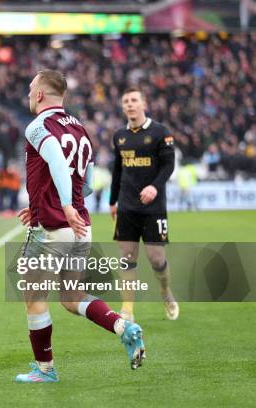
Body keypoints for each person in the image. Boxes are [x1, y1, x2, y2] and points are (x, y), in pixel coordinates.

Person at [15, 70, 145, 383]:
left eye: (32, 87)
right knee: (72, 297)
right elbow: (85, 183)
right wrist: (57, 203)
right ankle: (123, 326)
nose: (29, 93)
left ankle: (45, 370)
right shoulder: (80, 129)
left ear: (42, 94)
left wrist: (61, 206)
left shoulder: (38, 126)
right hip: (80, 227)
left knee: (33, 295)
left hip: (55, 225)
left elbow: (58, 163)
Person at [109, 86, 179, 322]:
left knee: (156, 258)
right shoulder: (119, 136)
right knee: (127, 257)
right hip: (127, 206)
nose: (129, 104)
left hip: (154, 206)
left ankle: (165, 292)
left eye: (134, 100)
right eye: (126, 100)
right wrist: (112, 201)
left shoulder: (161, 132)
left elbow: (169, 165)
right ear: (123, 106)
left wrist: (154, 187)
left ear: (143, 104)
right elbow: (117, 170)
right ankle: (127, 309)